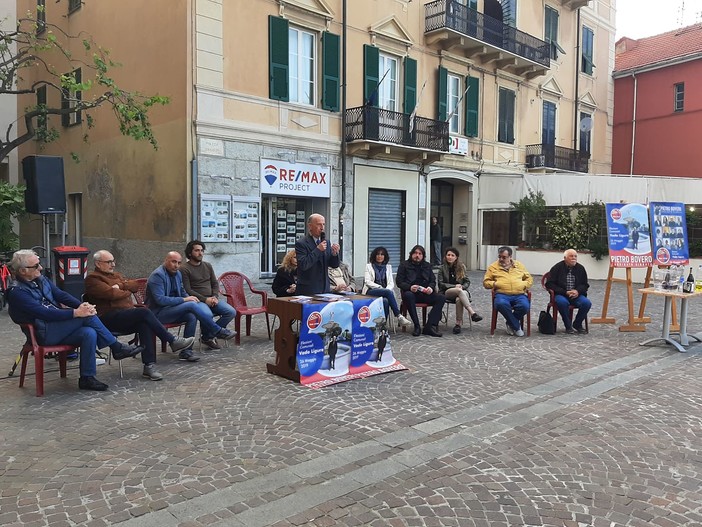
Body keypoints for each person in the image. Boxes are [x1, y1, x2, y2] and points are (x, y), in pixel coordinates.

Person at [6, 249, 142, 392]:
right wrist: (76, 313)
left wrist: (82, 306)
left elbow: (61, 295)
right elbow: (44, 313)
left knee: (88, 332)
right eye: (36, 266)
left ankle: (87, 378)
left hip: (57, 327)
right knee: (87, 317)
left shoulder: (41, 279)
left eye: (39, 264)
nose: (40, 268)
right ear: (22, 271)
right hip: (43, 333)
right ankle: (116, 347)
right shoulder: (17, 292)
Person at [84, 250, 196, 380]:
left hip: (125, 315)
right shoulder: (93, 279)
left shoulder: (117, 276)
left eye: (113, 261)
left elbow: (135, 285)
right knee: (143, 312)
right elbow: (111, 294)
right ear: (98, 263)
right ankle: (172, 340)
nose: (113, 264)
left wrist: (121, 286)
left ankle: (149, 366)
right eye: (109, 262)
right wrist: (126, 291)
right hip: (108, 318)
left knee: (144, 323)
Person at [146, 252, 236, 362]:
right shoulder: (158, 275)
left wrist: (190, 297)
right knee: (190, 305)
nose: (176, 265)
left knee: (191, 316)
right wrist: (185, 300)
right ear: (165, 260)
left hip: (172, 310)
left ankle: (186, 352)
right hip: (157, 314)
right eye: (173, 262)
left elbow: (182, 291)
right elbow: (160, 300)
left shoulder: (177, 274)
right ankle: (216, 330)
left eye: (179, 263)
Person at [181, 240, 237, 350]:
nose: (200, 253)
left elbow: (215, 283)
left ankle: (207, 336)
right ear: (189, 253)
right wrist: (204, 299)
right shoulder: (184, 269)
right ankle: (213, 334)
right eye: (197, 250)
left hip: (212, 298)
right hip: (197, 300)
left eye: (202, 250)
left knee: (231, 312)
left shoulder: (207, 265)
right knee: (207, 315)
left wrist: (215, 296)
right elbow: (187, 289)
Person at [396, 245, 445, 337]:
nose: (417, 255)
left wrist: (430, 287)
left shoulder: (427, 265)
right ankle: (417, 326)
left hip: (425, 293)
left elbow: (432, 280)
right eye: (415, 253)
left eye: (420, 254)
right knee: (408, 295)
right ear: (411, 254)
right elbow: (399, 282)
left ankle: (430, 326)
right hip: (411, 293)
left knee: (441, 297)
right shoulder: (404, 265)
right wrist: (409, 287)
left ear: (423, 256)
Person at [483, 246, 533, 337]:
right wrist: (495, 284)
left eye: (504, 257)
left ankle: (510, 323)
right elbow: (486, 282)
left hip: (519, 294)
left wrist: (524, 285)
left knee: (525, 306)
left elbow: (529, 278)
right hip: (502, 294)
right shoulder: (493, 267)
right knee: (500, 304)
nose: (501, 259)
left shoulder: (519, 265)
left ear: (510, 257)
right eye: (499, 257)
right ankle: (517, 327)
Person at [362, 246, 412, 327]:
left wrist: (386, 290)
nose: (379, 256)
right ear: (374, 256)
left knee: (385, 301)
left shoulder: (388, 267)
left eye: (382, 255)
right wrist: (381, 288)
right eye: (378, 254)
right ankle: (398, 315)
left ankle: (382, 326)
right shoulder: (369, 266)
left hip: (385, 292)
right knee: (387, 292)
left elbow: (391, 283)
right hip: (371, 291)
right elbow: (367, 282)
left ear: (385, 257)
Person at [545, 249, 591, 334]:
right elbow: (550, 284)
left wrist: (577, 291)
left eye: (575, 256)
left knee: (586, 303)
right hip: (561, 294)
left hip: (576, 295)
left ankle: (577, 324)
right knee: (562, 302)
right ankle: (568, 325)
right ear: (565, 258)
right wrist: (565, 292)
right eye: (571, 256)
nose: (574, 258)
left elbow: (585, 284)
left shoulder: (580, 268)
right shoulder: (557, 267)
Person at [437, 247, 482, 334]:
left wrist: (462, 286)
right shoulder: (441, 268)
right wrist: (455, 286)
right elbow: (441, 284)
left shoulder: (461, 267)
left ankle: (458, 324)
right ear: (445, 256)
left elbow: (467, 281)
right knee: (459, 292)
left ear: (456, 257)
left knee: (459, 299)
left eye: (452, 255)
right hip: (447, 292)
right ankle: (472, 313)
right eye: (448, 255)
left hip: (461, 292)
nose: (450, 257)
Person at [295, 213, 340, 295]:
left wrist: (334, 254)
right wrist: (318, 250)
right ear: (310, 226)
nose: (322, 228)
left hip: (325, 289)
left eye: (323, 224)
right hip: (308, 290)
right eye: (319, 225)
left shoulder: (326, 242)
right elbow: (304, 265)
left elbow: (334, 265)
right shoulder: (301, 243)